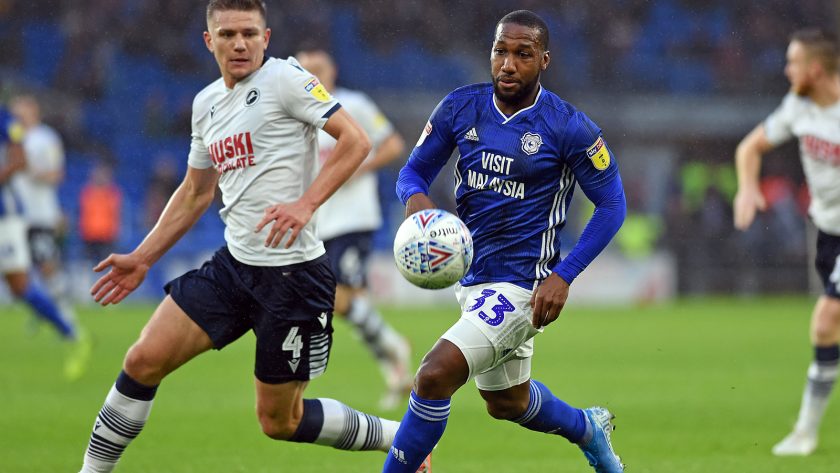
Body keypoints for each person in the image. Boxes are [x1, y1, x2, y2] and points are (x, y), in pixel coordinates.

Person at [77, 2, 430, 472]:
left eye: (248, 33)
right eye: (227, 34)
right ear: (210, 41)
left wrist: (306, 204)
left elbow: (357, 141)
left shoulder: (285, 79)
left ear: (266, 38)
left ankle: (400, 438)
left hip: (294, 278)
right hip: (234, 267)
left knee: (280, 421)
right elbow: (195, 193)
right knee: (142, 359)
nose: (239, 43)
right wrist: (143, 256)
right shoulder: (206, 105)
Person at [382, 10, 626, 473]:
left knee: (433, 376)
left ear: (544, 61)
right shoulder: (460, 107)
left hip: (522, 287)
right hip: (471, 279)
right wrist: (416, 203)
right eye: (500, 51)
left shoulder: (568, 126)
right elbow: (412, 170)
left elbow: (612, 205)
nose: (508, 64)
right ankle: (589, 428)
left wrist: (563, 275)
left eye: (522, 54)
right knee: (507, 402)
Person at [733, 28, 840, 456]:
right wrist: (746, 187)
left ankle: (805, 432)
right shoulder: (798, 107)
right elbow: (749, 148)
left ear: (814, 69)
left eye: (793, 62)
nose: (786, 70)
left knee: (825, 320)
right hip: (828, 233)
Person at [297, 48, 413, 410]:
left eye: (317, 70)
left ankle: (394, 346)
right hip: (320, 221)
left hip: (353, 218)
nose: (311, 77)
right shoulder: (298, 114)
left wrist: (359, 166)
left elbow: (393, 144)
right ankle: (395, 366)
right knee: (354, 304)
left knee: (335, 297)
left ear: (331, 72)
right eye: (304, 71)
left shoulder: (352, 104)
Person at [0, 103, 90, 380]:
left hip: (9, 217)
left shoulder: (8, 122)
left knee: (22, 284)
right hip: (25, 218)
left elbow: (20, 160)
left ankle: (71, 332)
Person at [10, 94, 74, 315]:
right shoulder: (11, 138)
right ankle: (42, 311)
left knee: (46, 264)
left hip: (41, 214)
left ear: (33, 111)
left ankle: (64, 310)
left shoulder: (45, 138)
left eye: (21, 112)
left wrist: (32, 171)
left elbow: (56, 175)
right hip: (15, 215)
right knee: (19, 267)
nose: (17, 116)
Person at [78, 160, 122, 264]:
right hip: (89, 236)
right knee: (89, 266)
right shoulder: (87, 192)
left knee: (105, 266)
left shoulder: (113, 193)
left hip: (107, 237)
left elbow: (116, 214)